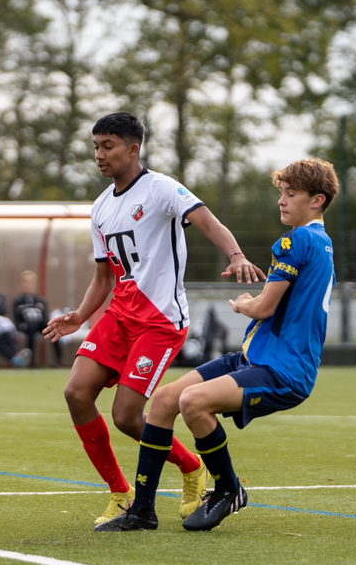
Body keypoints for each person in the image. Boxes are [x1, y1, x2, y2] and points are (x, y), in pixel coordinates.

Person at [44, 112, 264, 526]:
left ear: (133, 148)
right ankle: (119, 493)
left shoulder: (161, 189)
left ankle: (192, 468)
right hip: (119, 316)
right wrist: (80, 316)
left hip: (160, 322)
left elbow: (207, 220)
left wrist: (235, 254)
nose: (99, 155)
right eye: (95, 147)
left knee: (126, 416)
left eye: (107, 146)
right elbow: (104, 275)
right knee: (76, 394)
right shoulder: (100, 207)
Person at [96, 158, 337, 532]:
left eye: (292, 194)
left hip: (282, 370)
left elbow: (263, 307)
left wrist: (243, 304)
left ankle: (228, 489)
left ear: (318, 200)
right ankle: (142, 510)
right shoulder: (321, 242)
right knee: (163, 400)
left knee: (193, 402)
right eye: (282, 194)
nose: (282, 201)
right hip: (254, 358)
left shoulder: (296, 239)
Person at [13, 270, 50, 367]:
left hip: (40, 325)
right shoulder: (18, 300)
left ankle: (59, 360)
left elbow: (45, 317)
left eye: (30, 281)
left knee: (54, 329)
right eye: (25, 281)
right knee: (31, 327)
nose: (28, 284)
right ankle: (31, 361)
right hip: (26, 327)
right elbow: (16, 319)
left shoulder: (41, 300)